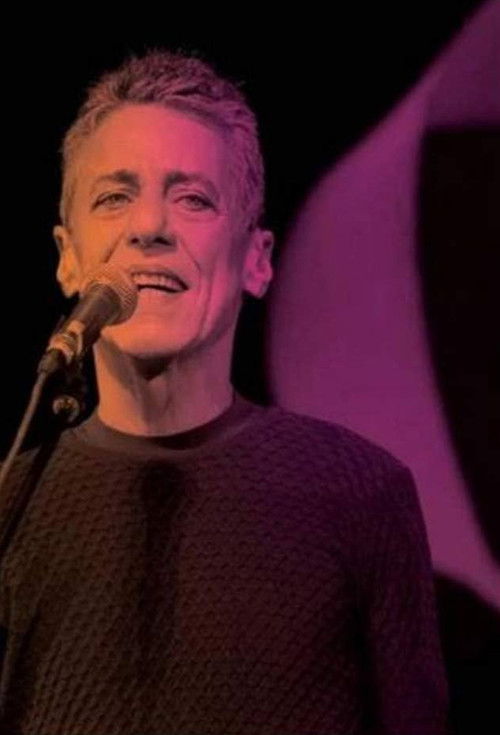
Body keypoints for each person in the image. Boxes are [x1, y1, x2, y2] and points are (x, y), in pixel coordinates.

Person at [0, 49, 449, 734]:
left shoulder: (360, 492)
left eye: (193, 199)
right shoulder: (14, 503)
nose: (148, 228)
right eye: (115, 197)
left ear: (257, 260)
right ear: (68, 257)